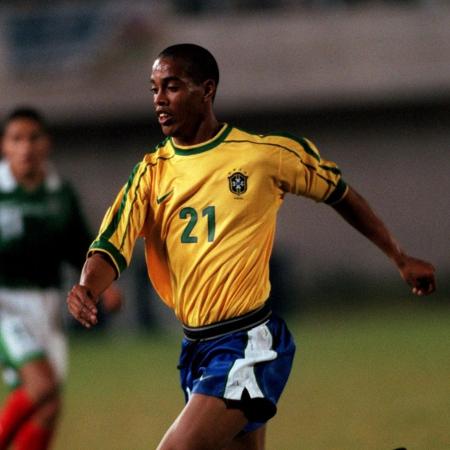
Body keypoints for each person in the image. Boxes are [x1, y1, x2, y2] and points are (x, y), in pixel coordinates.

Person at [67, 44, 436, 450]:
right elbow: (110, 244)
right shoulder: (151, 174)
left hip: (247, 341)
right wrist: (88, 286)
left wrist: (399, 257)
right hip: (196, 348)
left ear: (206, 90)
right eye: (154, 88)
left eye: (171, 87)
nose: (159, 100)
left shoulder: (261, 156)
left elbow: (339, 192)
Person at [0, 107, 122, 450]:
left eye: (33, 138)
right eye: (16, 139)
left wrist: (103, 285)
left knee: (49, 407)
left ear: (47, 144)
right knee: (41, 386)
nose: (26, 147)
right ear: (4, 147)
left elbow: (80, 248)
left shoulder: (60, 194)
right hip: (5, 304)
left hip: (47, 305)